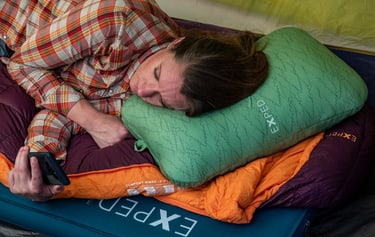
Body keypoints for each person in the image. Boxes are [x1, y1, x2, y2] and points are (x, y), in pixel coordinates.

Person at [1, 0, 268, 201]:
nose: (143, 89)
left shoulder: (138, 101)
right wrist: (93, 121)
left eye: (161, 100)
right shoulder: (118, 19)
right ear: (177, 43)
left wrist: (37, 168)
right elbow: (23, 65)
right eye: (157, 73)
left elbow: (61, 111)